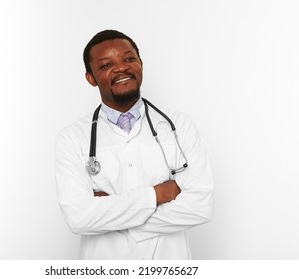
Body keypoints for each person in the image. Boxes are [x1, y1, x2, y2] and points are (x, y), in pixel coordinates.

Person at [54, 30, 213, 259]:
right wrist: (157, 195)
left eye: (129, 59)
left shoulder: (180, 126)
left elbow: (200, 207)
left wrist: (111, 214)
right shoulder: (72, 138)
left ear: (141, 64)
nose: (121, 68)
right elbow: (79, 218)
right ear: (91, 78)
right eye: (106, 64)